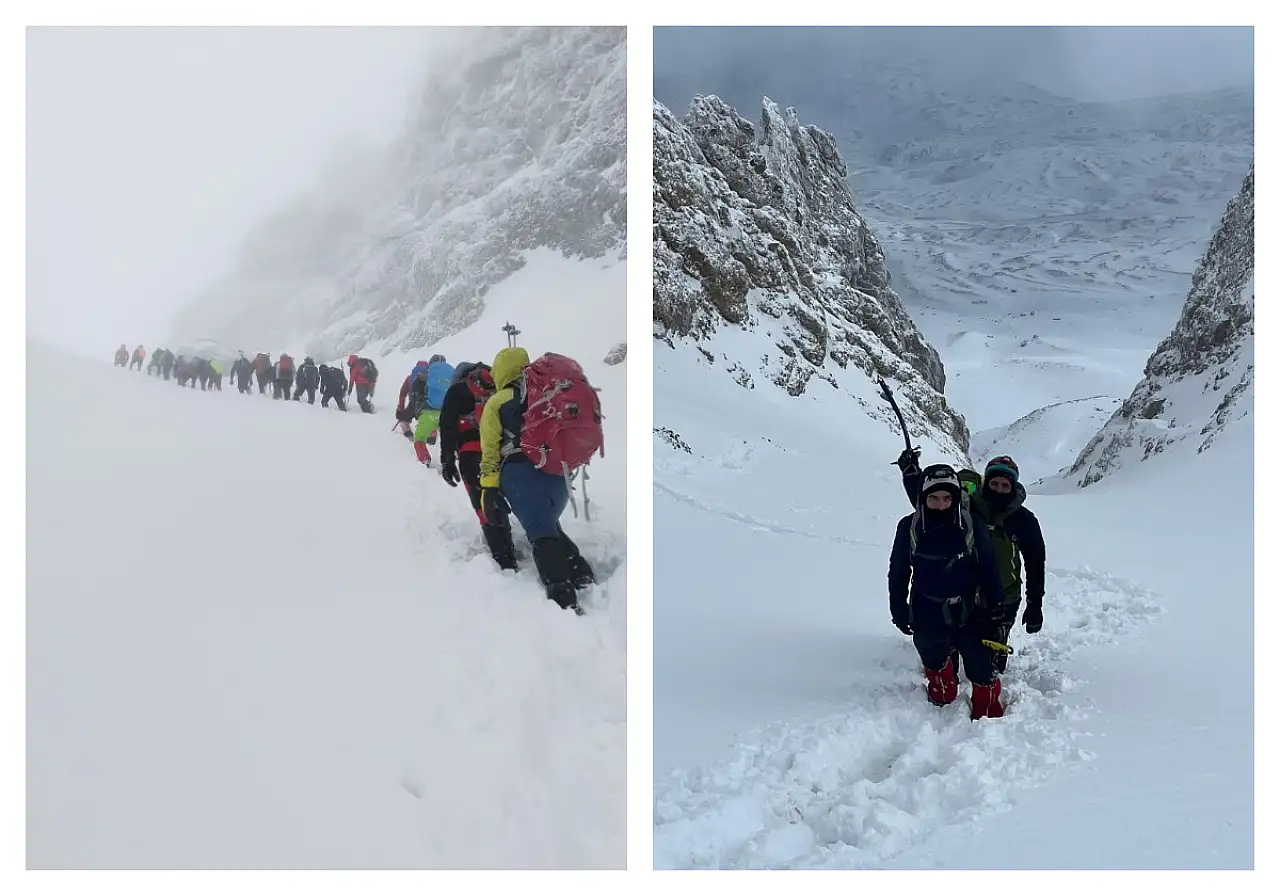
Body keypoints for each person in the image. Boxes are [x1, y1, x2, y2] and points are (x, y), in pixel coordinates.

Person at [897, 450, 1046, 673]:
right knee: (958, 644)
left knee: (992, 657)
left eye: (1005, 485)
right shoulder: (970, 506)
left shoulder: (1024, 520)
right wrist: (911, 475)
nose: (999, 489)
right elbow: (931, 503)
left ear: (1013, 487)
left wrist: (1035, 604)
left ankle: (987, 673)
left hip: (1005, 594)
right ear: (986, 483)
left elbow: (1035, 563)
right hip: (969, 592)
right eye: (994, 483)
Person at [478, 346, 596, 613]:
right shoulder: (546, 393)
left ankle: (562, 595)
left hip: (522, 478)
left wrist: (489, 489)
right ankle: (581, 572)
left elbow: (490, 453)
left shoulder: (497, 403)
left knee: (541, 534)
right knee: (548, 525)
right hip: (558, 476)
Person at [888, 463, 1008, 719]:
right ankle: (942, 694)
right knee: (933, 659)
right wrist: (898, 606)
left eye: (947, 498)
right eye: (934, 498)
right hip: (926, 607)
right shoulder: (910, 527)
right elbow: (898, 570)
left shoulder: (972, 524)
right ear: (923, 498)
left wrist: (997, 603)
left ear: (955, 498)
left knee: (981, 664)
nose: (941, 505)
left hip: (970, 607)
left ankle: (987, 712)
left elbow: (988, 567)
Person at [439, 362, 517, 569]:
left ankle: (503, 559)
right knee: (495, 495)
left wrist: (447, 460)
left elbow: (447, 426)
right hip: (501, 452)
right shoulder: (497, 386)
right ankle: (508, 544)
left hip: (470, 453)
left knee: (481, 503)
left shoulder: (457, 391)